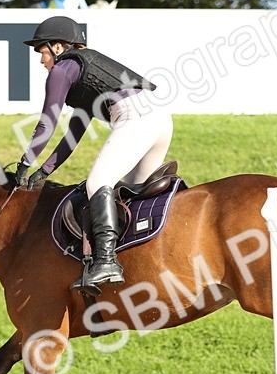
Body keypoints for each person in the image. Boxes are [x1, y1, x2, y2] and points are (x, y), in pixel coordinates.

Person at [10, 16, 173, 293]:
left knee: (97, 184)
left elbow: (47, 122)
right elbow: (73, 134)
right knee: (131, 196)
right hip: (160, 120)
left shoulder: (62, 70)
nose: (41, 61)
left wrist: (25, 164)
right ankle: (138, 264)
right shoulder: (86, 76)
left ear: (58, 47)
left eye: (42, 52)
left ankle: (106, 262)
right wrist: (44, 171)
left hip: (137, 119)